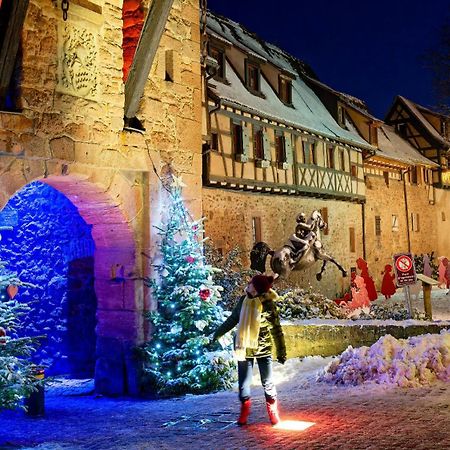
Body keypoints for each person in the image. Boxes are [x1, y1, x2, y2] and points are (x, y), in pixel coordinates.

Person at [211, 274, 286, 426]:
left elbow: (276, 329)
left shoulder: (267, 304)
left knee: (268, 382)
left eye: (252, 283)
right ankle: (244, 408)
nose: (249, 284)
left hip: (263, 348)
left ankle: (272, 410)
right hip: (244, 347)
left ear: (257, 288)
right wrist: (217, 333)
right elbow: (232, 319)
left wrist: (281, 351)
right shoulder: (242, 301)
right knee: (244, 383)